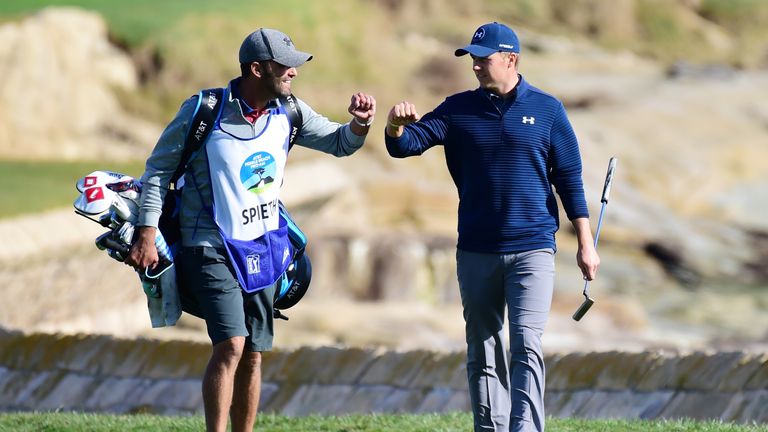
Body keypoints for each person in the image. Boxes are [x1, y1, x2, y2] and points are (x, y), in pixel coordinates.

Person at [126, 28, 376, 432]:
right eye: (285, 66)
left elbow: (339, 142)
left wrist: (360, 125)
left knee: (255, 353)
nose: (294, 72)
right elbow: (158, 171)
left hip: (264, 247)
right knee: (231, 345)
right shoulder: (203, 110)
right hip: (207, 244)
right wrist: (147, 232)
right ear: (257, 69)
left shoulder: (289, 111)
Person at [384, 22, 599, 432]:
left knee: (526, 344)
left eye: (484, 59)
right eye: (474, 60)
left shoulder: (549, 109)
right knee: (482, 349)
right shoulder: (457, 109)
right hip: (477, 250)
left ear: (511, 59)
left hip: (533, 247)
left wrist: (585, 244)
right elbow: (405, 146)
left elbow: (569, 178)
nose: (477, 67)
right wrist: (395, 124)